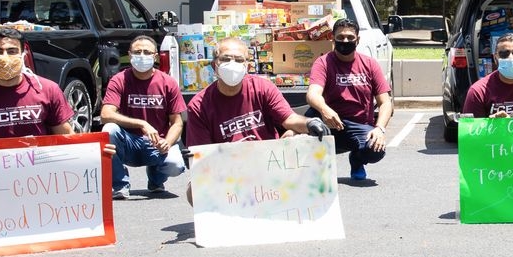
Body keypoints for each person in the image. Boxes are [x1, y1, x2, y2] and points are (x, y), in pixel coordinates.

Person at [184, 36, 324, 203]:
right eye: (225, 59)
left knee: (295, 136)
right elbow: (204, 154)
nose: (232, 63)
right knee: (194, 191)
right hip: (229, 169)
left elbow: (289, 119)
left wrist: (310, 123)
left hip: (268, 164)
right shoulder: (199, 105)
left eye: (238, 59)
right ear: (215, 66)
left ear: (247, 66)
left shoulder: (263, 87)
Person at [0, 27, 94, 174]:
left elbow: (67, 138)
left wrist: (96, 153)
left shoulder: (48, 89)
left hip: (43, 178)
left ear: (23, 55)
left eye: (12, 51)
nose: (5, 57)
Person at [305, 18, 394, 180]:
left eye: (350, 38)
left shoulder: (370, 64)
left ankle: (357, 159)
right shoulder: (323, 62)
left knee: (376, 150)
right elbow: (313, 94)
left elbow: (385, 102)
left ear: (357, 40)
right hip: (330, 120)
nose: (345, 41)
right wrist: (325, 110)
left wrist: (380, 129)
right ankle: (317, 166)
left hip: (359, 124)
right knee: (298, 131)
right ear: (333, 39)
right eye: (340, 37)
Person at [101, 35, 186, 198]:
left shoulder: (168, 82)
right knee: (109, 130)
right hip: (128, 142)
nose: (141, 55)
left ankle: (156, 179)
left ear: (155, 56)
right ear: (129, 54)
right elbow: (106, 114)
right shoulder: (119, 80)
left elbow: (177, 123)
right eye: (137, 52)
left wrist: (167, 143)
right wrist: (142, 123)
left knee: (176, 165)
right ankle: (120, 185)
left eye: (147, 52)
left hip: (156, 142)